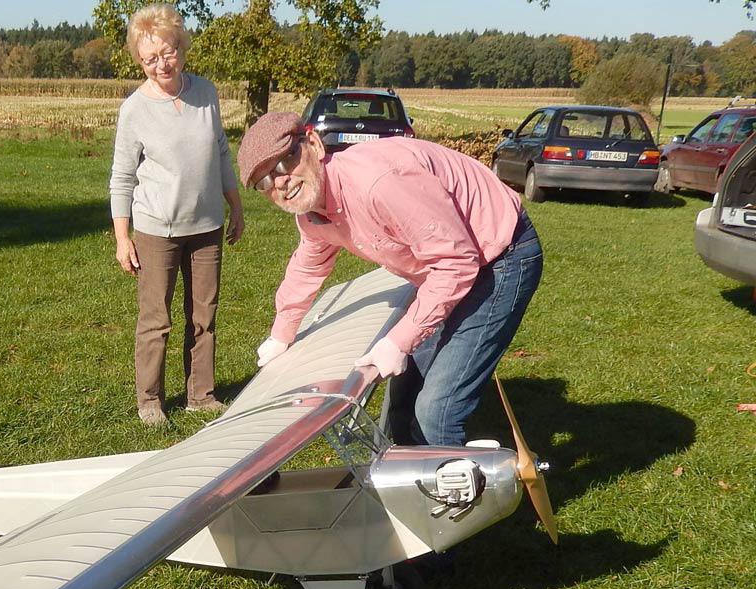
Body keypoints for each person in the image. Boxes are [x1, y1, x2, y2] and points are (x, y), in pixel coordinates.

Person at [236, 112, 542, 447]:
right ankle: (412, 489)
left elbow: (456, 262)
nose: (280, 182)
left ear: (313, 144)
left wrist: (399, 341)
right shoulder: (313, 213)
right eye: (264, 182)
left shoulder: (379, 183)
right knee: (403, 401)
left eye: (284, 163)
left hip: (499, 255)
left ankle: (460, 493)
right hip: (443, 271)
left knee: (435, 411)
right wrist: (281, 335)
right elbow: (308, 266)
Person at [109, 3, 244, 426]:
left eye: (167, 53)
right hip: (156, 231)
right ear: (139, 60)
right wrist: (122, 237)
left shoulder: (206, 92)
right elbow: (121, 177)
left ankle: (201, 395)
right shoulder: (135, 109)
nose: (160, 64)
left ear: (181, 47)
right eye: (149, 59)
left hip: (206, 227)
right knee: (156, 320)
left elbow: (220, 151)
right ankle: (149, 401)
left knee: (204, 316)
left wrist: (235, 205)